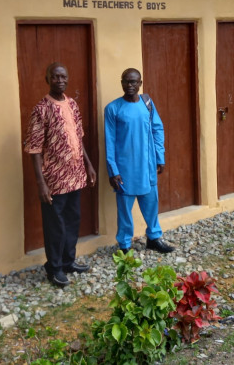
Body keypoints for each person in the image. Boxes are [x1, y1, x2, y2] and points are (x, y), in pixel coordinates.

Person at [24, 63, 97, 287]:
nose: (60, 80)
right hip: (54, 180)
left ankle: (68, 261)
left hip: (75, 175)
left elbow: (79, 138)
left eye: (63, 76)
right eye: (55, 77)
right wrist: (41, 184)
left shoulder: (73, 105)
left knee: (73, 220)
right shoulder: (41, 109)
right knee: (55, 225)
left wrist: (89, 165)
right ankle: (54, 268)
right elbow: (34, 148)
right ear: (47, 80)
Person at [104, 68, 174, 253]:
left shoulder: (147, 103)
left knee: (151, 203)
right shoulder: (113, 109)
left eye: (134, 82)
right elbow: (109, 141)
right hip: (125, 169)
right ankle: (125, 245)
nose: (130, 85)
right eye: (126, 81)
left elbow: (157, 129)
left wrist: (160, 156)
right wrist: (113, 170)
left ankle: (154, 237)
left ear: (140, 83)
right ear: (121, 83)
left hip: (147, 165)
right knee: (125, 210)